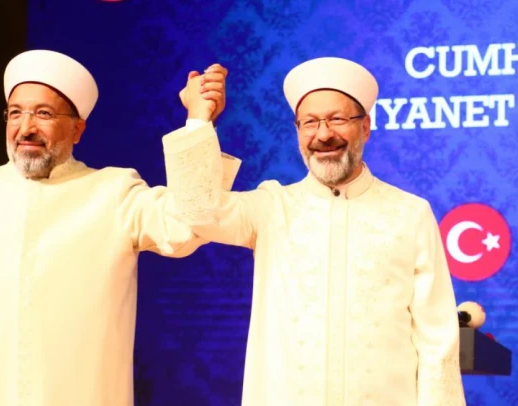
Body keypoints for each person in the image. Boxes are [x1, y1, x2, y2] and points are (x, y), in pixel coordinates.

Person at [0, 50, 234, 406]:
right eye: (16, 113)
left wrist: (198, 121)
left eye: (44, 114)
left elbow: (188, 224)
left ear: (77, 129)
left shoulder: (114, 192)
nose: (26, 128)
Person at [164, 58, 466, 405]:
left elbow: (437, 343)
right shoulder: (272, 207)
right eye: (309, 123)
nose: (323, 135)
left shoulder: (409, 213)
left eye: (337, 119)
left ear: (365, 127)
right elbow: (196, 212)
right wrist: (199, 120)